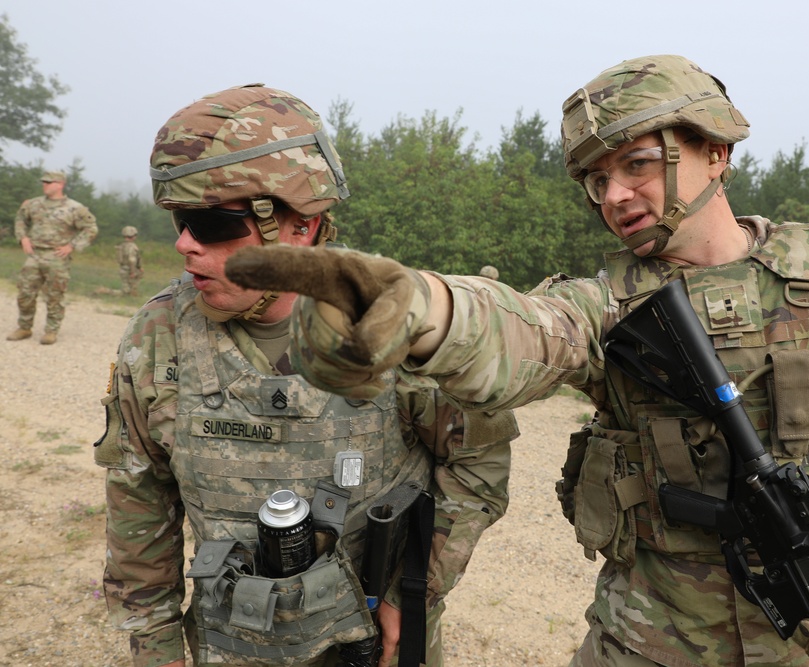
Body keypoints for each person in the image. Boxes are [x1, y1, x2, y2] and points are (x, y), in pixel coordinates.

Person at [223, 55, 809, 667]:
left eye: (637, 165)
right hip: (644, 646)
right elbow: (522, 333)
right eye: (597, 180)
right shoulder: (608, 306)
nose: (614, 195)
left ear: (715, 150)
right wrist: (422, 308)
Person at [94, 84, 516, 667]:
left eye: (210, 222)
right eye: (178, 221)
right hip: (231, 642)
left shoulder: (395, 322)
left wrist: (411, 593)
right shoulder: (158, 334)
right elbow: (138, 496)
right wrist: (156, 643)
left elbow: (478, 465)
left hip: (374, 641)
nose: (184, 244)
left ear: (300, 227)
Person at [7, 170, 98, 345]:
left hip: (57, 257)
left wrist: (71, 246)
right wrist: (23, 238)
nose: (45, 185)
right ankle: (24, 327)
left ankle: (51, 331)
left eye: (49, 182)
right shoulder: (33, 204)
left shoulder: (74, 208)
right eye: (44, 182)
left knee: (55, 295)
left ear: (60, 184)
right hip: (35, 255)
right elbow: (20, 218)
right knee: (25, 293)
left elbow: (90, 228)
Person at [116, 225, 143, 295]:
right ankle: (106, 291)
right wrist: (132, 272)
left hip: (123, 269)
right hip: (129, 270)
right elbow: (132, 260)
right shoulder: (132, 247)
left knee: (126, 287)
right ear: (133, 236)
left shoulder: (122, 245)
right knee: (127, 291)